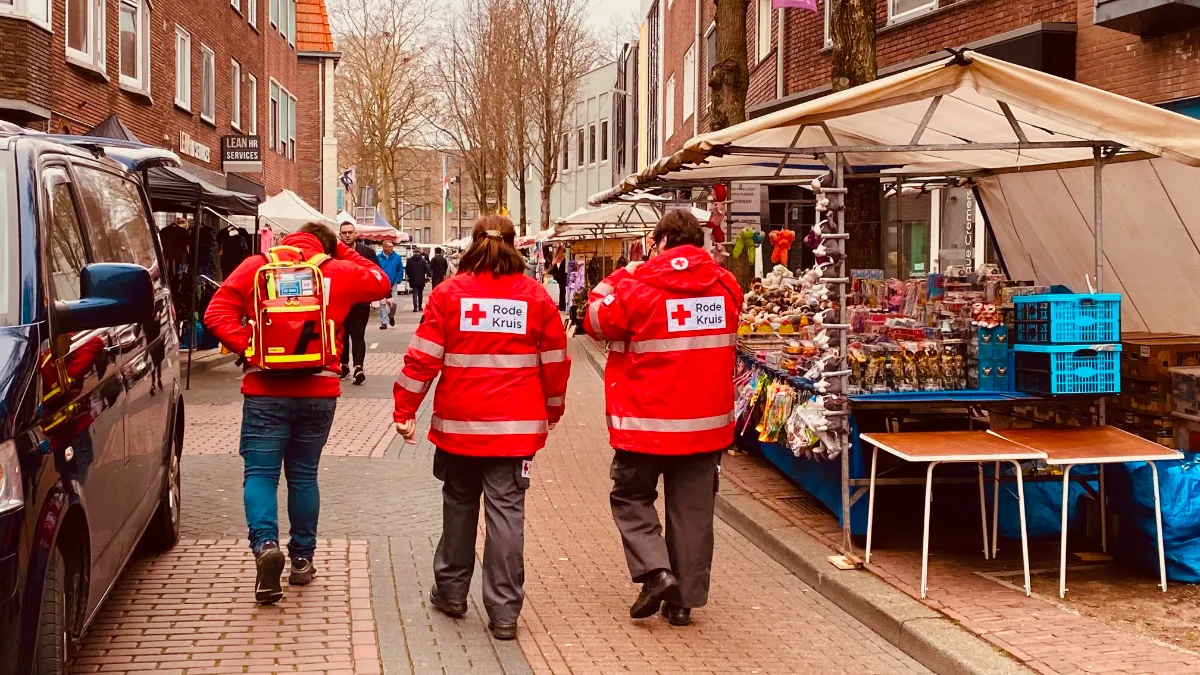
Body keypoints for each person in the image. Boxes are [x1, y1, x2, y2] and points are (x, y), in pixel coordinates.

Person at [394, 215, 570, 641]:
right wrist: (553, 410)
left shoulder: (449, 294)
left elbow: (422, 358)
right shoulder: (534, 296)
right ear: (514, 245)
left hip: (459, 427)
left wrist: (405, 409)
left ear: (474, 244)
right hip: (515, 430)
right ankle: (504, 612)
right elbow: (555, 362)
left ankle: (452, 592)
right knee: (506, 513)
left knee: (458, 506)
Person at [205, 222, 391, 604]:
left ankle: (266, 546)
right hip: (319, 388)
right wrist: (341, 251)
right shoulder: (338, 270)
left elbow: (215, 314)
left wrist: (251, 347)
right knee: (304, 475)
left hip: (265, 389)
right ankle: (302, 560)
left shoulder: (257, 266)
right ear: (328, 245)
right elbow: (381, 281)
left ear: (286, 240)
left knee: (260, 475)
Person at [582, 209, 742, 627]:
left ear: (663, 242)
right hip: (705, 424)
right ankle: (683, 603)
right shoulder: (726, 285)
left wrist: (623, 273)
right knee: (693, 512)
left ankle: (657, 571)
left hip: (646, 422)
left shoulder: (636, 287)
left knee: (631, 497)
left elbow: (595, 321)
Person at [339, 220, 379, 384]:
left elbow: (377, 273)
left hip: (360, 301)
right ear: (340, 235)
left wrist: (379, 295)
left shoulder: (367, 252)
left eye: (350, 232)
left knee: (358, 334)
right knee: (342, 335)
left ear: (355, 234)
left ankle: (358, 367)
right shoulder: (334, 252)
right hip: (341, 301)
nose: (347, 235)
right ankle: (344, 365)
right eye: (344, 233)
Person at [377, 240, 405, 329]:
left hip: (393, 283)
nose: (392, 248)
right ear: (384, 247)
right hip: (382, 283)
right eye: (390, 246)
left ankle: (391, 315)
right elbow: (376, 269)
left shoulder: (397, 257)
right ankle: (384, 322)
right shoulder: (378, 257)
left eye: (392, 246)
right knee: (382, 303)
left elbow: (400, 269)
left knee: (394, 303)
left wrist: (398, 279)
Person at [406, 248, 430, 312]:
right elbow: (427, 269)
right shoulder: (423, 260)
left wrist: (410, 276)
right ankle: (420, 307)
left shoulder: (410, 260)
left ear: (413, 253)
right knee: (420, 294)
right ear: (419, 253)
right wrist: (427, 275)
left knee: (414, 293)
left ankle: (415, 307)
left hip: (413, 279)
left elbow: (407, 270)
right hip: (421, 279)